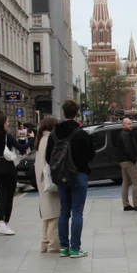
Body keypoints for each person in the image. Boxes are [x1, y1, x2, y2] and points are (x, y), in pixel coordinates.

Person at [46, 100, 94, 258]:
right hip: (78, 175)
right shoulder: (81, 133)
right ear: (76, 113)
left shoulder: (54, 134)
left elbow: (48, 156)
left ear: (63, 112)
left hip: (60, 176)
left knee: (64, 212)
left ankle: (63, 248)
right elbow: (90, 154)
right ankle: (75, 248)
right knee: (77, 212)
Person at [0, 113, 23, 235]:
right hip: (9, 169)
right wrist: (32, 139)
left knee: (2, 197)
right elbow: (21, 148)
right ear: (2, 124)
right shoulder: (8, 137)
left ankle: (1, 223)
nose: (8, 123)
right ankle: (5, 224)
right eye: (7, 122)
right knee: (9, 198)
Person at [33, 116, 61, 253]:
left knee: (46, 215)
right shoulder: (50, 139)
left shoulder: (40, 140)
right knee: (54, 215)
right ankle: (53, 245)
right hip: (48, 181)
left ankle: (45, 243)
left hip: (41, 181)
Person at [116, 118, 137, 212]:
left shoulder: (122, 134)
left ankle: (126, 204)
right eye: (128, 124)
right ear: (123, 125)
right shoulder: (126, 135)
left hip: (123, 161)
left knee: (126, 182)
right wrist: (134, 159)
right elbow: (128, 148)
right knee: (136, 181)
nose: (131, 125)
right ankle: (136, 204)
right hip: (129, 161)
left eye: (131, 123)